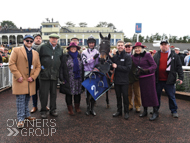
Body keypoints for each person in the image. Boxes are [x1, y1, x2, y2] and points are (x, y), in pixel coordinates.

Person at [8, 35, 41, 129]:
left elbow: (38, 66)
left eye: (31, 41)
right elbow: (11, 63)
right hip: (20, 80)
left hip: (30, 80)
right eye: (27, 41)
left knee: (27, 99)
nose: (29, 42)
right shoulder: (16, 50)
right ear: (24, 41)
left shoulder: (35, 53)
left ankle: (26, 115)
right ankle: (20, 119)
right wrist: (18, 76)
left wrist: (33, 77)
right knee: (20, 101)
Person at [153, 40, 184, 118]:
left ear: (168, 46)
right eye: (162, 45)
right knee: (156, 96)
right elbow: (152, 66)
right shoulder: (156, 54)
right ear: (160, 46)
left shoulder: (174, 55)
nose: (164, 46)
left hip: (169, 80)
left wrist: (181, 77)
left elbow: (179, 67)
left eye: (165, 44)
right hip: (158, 80)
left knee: (171, 96)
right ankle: (155, 110)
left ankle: (174, 110)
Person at [37, 33, 63, 119]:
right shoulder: (42, 47)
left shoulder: (60, 48)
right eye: (52, 38)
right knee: (43, 94)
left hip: (54, 74)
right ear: (49, 39)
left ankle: (53, 109)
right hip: (44, 75)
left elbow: (61, 60)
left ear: (58, 39)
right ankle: (43, 110)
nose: (54, 39)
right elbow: (37, 59)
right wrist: (41, 69)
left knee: (53, 93)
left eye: (56, 38)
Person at [132, 42, 158, 121]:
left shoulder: (147, 55)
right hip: (141, 78)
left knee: (152, 94)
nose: (137, 49)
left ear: (142, 48)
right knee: (143, 94)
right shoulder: (133, 57)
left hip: (149, 77)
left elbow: (154, 66)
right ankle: (145, 111)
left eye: (139, 48)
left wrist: (147, 70)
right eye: (136, 48)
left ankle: (155, 112)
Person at [59, 42, 84, 115]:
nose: (73, 48)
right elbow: (61, 68)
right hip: (68, 79)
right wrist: (61, 78)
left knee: (78, 94)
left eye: (74, 47)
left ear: (77, 48)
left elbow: (82, 68)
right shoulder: (65, 56)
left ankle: (77, 107)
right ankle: (70, 109)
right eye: (71, 47)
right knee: (69, 94)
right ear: (69, 48)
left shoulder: (79, 56)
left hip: (78, 79)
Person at [110, 41, 132, 120]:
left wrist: (117, 66)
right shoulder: (115, 57)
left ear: (123, 47)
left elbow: (128, 68)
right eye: (118, 45)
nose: (120, 46)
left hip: (124, 81)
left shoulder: (127, 56)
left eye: (121, 45)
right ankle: (119, 111)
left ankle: (126, 112)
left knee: (125, 97)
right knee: (118, 97)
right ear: (116, 46)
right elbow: (112, 67)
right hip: (117, 80)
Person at [30, 34, 50, 113]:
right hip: (34, 73)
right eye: (36, 38)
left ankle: (44, 105)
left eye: (39, 38)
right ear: (34, 40)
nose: (38, 39)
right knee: (34, 91)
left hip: (42, 73)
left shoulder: (45, 48)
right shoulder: (30, 48)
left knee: (43, 91)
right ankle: (34, 106)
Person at [81, 36, 99, 116]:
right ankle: (88, 108)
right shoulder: (84, 52)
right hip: (87, 73)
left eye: (93, 43)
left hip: (95, 73)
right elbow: (84, 62)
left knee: (94, 92)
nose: (91, 44)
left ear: (94, 44)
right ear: (88, 44)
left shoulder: (97, 52)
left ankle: (92, 109)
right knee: (87, 92)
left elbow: (99, 63)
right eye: (90, 43)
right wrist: (92, 58)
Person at [125, 42, 141, 113]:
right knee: (128, 93)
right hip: (127, 77)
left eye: (129, 47)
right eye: (126, 47)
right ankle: (129, 105)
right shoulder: (123, 55)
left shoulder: (136, 55)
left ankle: (137, 106)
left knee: (137, 93)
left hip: (136, 77)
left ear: (132, 48)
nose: (128, 48)